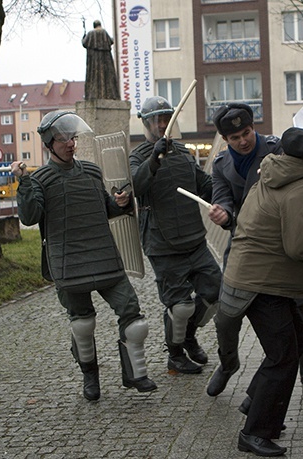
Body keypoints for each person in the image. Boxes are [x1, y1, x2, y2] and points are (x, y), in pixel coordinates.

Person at [13, 110, 157, 401]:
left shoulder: (92, 171)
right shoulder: (40, 180)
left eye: (73, 138)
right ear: (50, 144)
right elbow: (29, 217)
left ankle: (136, 374)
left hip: (105, 258)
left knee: (133, 316)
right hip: (69, 264)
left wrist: (120, 202)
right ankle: (90, 377)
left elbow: (108, 209)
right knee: (82, 323)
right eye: (63, 139)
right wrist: (24, 184)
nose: (70, 143)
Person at [221, 127, 303, 456]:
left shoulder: (269, 173)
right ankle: (255, 433)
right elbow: (302, 246)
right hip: (264, 283)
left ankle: (255, 403)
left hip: (252, 276)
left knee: (297, 340)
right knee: (284, 354)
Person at [206, 103, 303, 407]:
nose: (243, 141)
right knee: (226, 319)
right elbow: (223, 197)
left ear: (253, 128)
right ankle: (228, 363)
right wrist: (223, 213)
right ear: (225, 140)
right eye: (235, 137)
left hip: (284, 248)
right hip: (245, 246)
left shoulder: (279, 150)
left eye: (246, 132)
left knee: (301, 319)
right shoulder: (221, 164)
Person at [129, 96, 221, 375]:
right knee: (179, 305)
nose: (161, 124)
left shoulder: (182, 152)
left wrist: (227, 188)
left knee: (216, 292)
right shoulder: (137, 156)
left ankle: (188, 335)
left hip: (194, 239)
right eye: (155, 120)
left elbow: (204, 185)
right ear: (146, 124)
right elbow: (135, 186)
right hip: (162, 243)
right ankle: (175, 354)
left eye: (165, 118)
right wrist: (154, 159)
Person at [82, 20, 120, 100]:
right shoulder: (104, 32)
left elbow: (85, 43)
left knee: (94, 77)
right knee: (107, 77)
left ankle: (94, 95)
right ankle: (109, 95)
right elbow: (111, 41)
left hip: (94, 62)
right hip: (105, 61)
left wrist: (83, 37)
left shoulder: (90, 33)